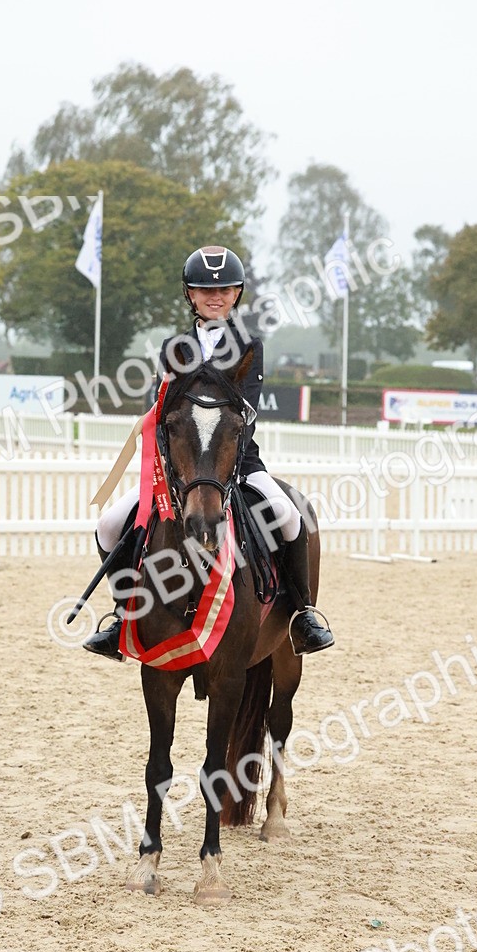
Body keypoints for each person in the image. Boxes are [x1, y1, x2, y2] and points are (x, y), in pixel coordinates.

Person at [83, 244, 335, 661]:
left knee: (290, 515)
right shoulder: (173, 346)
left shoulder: (248, 343)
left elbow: (245, 411)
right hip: (178, 469)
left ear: (237, 294)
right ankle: (123, 615)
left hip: (235, 463)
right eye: (204, 289)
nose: (214, 296)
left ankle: (302, 615)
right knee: (109, 524)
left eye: (224, 289)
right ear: (189, 295)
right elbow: (162, 409)